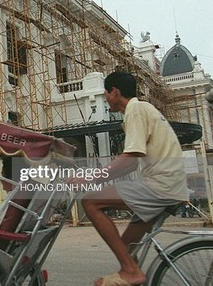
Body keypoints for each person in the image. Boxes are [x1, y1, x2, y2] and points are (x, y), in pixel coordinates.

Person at [70, 71, 188, 286]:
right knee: (127, 248)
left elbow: (130, 159)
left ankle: (131, 272)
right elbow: (131, 162)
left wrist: (91, 178)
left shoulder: (135, 110)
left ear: (115, 92)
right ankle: (131, 271)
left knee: (90, 201)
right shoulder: (144, 109)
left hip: (160, 185)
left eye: (106, 93)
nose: (105, 98)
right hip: (170, 185)